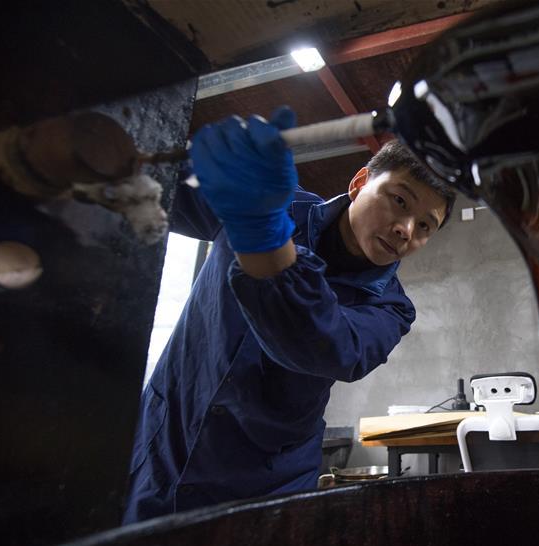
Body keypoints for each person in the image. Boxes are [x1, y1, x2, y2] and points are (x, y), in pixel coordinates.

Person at [123, 107, 453, 523]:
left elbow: (325, 346)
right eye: (399, 200)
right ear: (359, 183)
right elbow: (159, 184)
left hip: (266, 486)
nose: (406, 229)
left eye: (425, 227)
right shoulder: (279, 202)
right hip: (164, 449)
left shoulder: (391, 308)